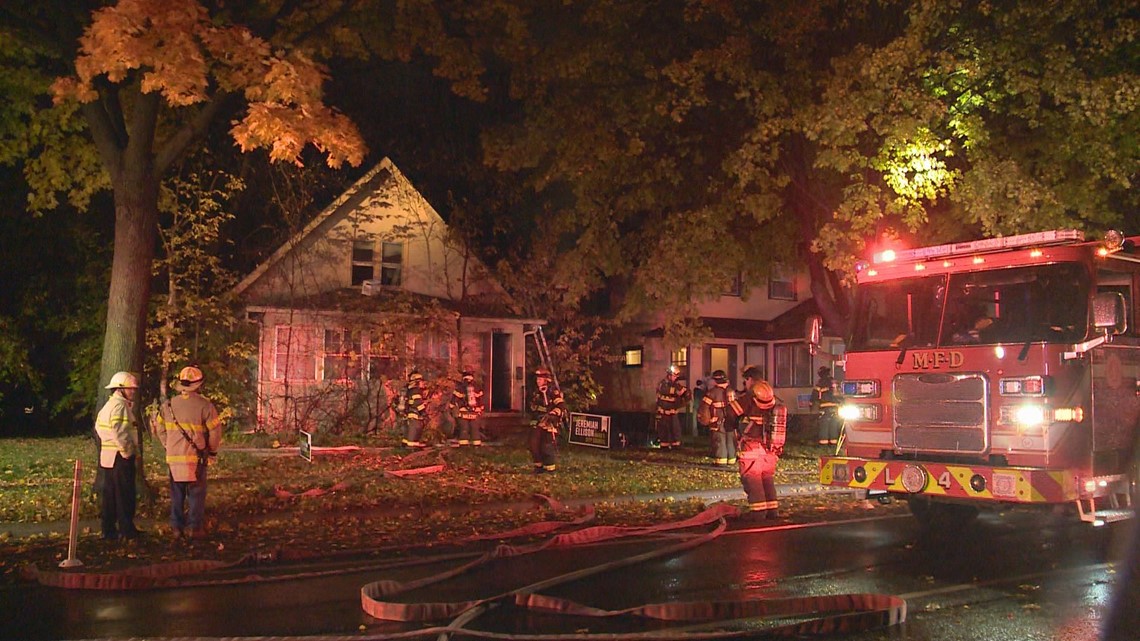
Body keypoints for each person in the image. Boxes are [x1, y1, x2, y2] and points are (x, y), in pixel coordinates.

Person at [154, 366, 223, 539]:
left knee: (176, 494)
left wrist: (168, 445)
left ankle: (176, 527)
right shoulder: (205, 406)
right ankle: (194, 527)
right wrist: (212, 452)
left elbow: (159, 428)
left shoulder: (167, 406)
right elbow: (215, 432)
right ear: (198, 384)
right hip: (195, 458)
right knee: (196, 493)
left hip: (173, 457)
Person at [96, 371, 143, 541]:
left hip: (109, 457)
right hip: (120, 457)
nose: (133, 392)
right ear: (121, 389)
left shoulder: (109, 405)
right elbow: (119, 430)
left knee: (110, 495)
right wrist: (126, 450)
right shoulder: (119, 406)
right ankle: (126, 529)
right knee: (124, 494)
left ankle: (108, 530)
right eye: (130, 389)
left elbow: (100, 428)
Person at [737, 379, 787, 521]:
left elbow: (730, 416)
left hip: (752, 447)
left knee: (752, 478)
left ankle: (758, 512)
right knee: (767, 479)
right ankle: (772, 510)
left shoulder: (748, 402)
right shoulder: (775, 407)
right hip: (771, 449)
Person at [697, 370, 741, 466]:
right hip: (731, 421)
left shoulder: (712, 392)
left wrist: (705, 420)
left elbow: (704, 407)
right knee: (731, 439)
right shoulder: (732, 391)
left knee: (719, 440)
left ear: (716, 380)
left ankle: (721, 460)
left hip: (718, 421)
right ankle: (732, 459)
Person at [528, 366, 566, 473]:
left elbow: (561, 405)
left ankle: (550, 469)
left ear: (546, 380)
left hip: (550, 422)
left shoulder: (552, 392)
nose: (537, 381)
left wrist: (553, 414)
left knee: (546, 446)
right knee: (533, 444)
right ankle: (538, 467)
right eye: (537, 379)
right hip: (538, 420)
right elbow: (532, 406)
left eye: (540, 379)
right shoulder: (536, 392)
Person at [654, 364, 689, 449]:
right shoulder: (662, 384)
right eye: (674, 376)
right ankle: (664, 446)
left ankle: (676, 445)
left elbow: (684, 392)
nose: (675, 378)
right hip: (663, 412)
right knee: (664, 429)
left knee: (675, 429)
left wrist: (686, 394)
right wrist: (677, 391)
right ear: (669, 375)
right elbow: (667, 390)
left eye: (676, 376)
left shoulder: (675, 384)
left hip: (673, 411)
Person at [449, 370, 486, 446]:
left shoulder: (459, 388)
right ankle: (476, 445)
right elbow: (481, 401)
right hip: (475, 412)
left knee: (464, 429)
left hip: (463, 412)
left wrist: (452, 411)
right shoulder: (477, 388)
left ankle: (463, 446)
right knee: (475, 429)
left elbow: (453, 402)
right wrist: (480, 410)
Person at [813, 366, 841, 445]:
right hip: (836, 407)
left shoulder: (821, 383)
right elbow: (840, 394)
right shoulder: (834, 382)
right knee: (834, 424)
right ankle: (834, 442)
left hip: (825, 407)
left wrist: (812, 405)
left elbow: (815, 395)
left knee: (824, 424)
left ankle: (823, 442)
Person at [403, 371, 428, 448]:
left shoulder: (411, 391)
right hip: (414, 413)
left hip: (411, 412)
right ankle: (411, 445)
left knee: (411, 428)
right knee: (415, 427)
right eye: (421, 381)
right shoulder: (416, 391)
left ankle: (407, 443)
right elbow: (418, 403)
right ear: (417, 382)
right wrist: (424, 412)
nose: (423, 383)